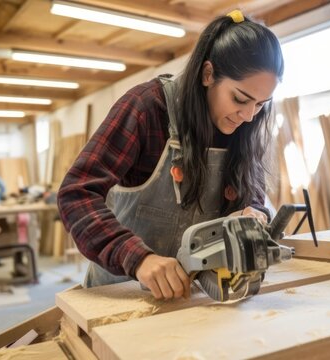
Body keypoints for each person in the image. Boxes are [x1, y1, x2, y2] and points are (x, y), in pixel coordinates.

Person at [58, 10, 283, 300]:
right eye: (240, 99)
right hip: (120, 292)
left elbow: (251, 197)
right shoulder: (147, 108)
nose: (250, 116)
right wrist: (138, 258)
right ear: (207, 74)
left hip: (193, 296)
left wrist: (250, 215)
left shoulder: (244, 129)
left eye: (261, 104)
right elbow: (76, 194)